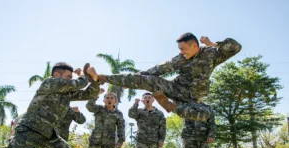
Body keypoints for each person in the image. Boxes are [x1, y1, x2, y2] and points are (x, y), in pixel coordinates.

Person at [97, 33, 241, 121]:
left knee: (205, 114)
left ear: (194, 46)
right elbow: (159, 70)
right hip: (175, 89)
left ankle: (170, 106)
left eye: (183, 49)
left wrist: (213, 44)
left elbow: (236, 47)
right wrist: (134, 81)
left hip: (190, 98)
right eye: (179, 49)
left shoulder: (211, 54)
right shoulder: (180, 59)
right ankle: (102, 77)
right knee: (149, 80)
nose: (181, 52)